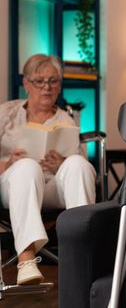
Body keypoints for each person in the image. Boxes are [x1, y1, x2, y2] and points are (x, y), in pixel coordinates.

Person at [0, 54, 96, 285]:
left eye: (53, 81)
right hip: (11, 186)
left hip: (50, 189)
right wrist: (8, 164)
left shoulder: (66, 120)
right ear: (26, 83)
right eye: (39, 81)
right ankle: (26, 259)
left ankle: (84, 254)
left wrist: (61, 163)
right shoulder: (6, 114)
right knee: (27, 166)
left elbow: (78, 172)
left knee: (78, 164)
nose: (47, 87)